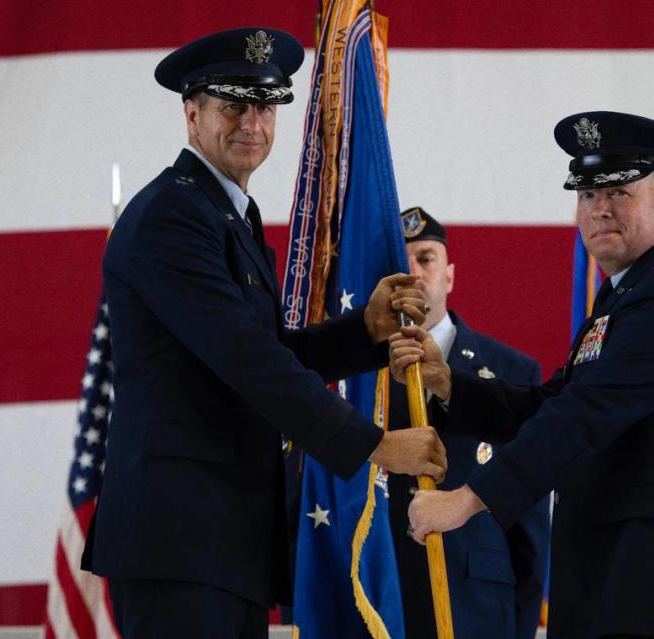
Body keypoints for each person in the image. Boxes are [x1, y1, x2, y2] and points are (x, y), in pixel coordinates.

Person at [80, 28, 446, 639]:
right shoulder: (171, 216)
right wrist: (374, 447)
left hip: (223, 539)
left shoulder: (226, 215)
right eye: (232, 105)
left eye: (265, 106)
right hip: (180, 540)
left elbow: (266, 352)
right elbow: (246, 360)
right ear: (191, 114)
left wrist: (365, 330)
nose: (252, 122)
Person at [391, 112, 654, 637]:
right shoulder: (627, 296)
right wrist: (449, 384)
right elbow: (554, 403)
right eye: (586, 195)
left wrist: (466, 501)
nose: (599, 209)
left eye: (619, 193)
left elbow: (581, 418)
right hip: (619, 583)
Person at [387, 207, 550, 639]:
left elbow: (529, 518)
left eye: (425, 258)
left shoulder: (513, 374)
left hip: (476, 606)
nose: (413, 272)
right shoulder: (357, 379)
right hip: (378, 601)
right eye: (400, 262)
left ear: (449, 276)